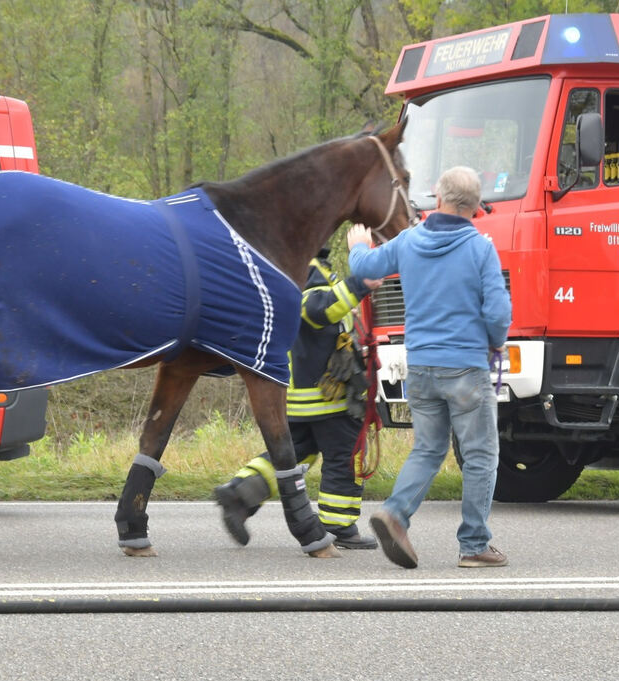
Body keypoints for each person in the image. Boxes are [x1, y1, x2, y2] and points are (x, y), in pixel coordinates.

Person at [347, 165, 512, 569]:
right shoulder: (480, 248)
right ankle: (474, 544)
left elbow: (364, 269)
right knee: (481, 456)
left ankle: (395, 515)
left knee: (427, 449)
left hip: (419, 366)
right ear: (474, 208)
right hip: (465, 368)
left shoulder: (408, 242)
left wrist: (357, 246)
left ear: (438, 200)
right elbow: (498, 312)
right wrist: (493, 341)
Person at [214, 246, 383, 549]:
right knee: (344, 456)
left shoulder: (278, 261)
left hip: (294, 393)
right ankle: (338, 525)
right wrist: (359, 285)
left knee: (293, 454)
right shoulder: (309, 266)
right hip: (326, 396)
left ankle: (240, 495)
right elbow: (315, 310)